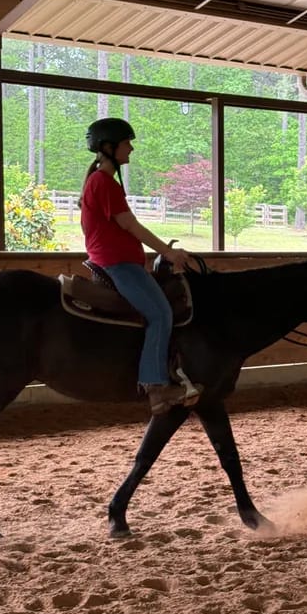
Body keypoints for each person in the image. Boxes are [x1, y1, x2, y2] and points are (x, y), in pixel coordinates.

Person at [79, 117, 197, 415]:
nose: (130, 148)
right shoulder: (104, 183)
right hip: (118, 265)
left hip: (118, 261)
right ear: (109, 147)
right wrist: (168, 253)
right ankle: (156, 388)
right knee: (160, 314)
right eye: (126, 143)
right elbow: (131, 226)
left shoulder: (101, 182)